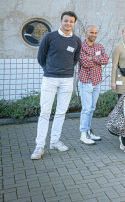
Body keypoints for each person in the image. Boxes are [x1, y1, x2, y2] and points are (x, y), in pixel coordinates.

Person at [31, 11, 82, 160]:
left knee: (61, 113)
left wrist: (66, 71)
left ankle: (54, 141)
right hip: (50, 79)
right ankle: (39, 146)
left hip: (67, 80)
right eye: (66, 21)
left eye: (71, 21)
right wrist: (49, 69)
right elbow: (41, 57)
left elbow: (75, 59)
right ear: (61, 21)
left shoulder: (76, 41)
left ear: (74, 23)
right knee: (45, 113)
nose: (68, 23)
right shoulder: (50, 37)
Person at [78, 25, 109, 145]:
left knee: (92, 108)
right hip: (86, 81)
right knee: (86, 109)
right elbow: (85, 62)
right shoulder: (80, 46)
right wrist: (98, 58)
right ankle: (83, 134)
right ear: (86, 33)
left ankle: (89, 131)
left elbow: (106, 60)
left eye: (95, 33)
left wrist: (93, 57)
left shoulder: (99, 46)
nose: (94, 35)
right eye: (91, 32)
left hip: (97, 81)